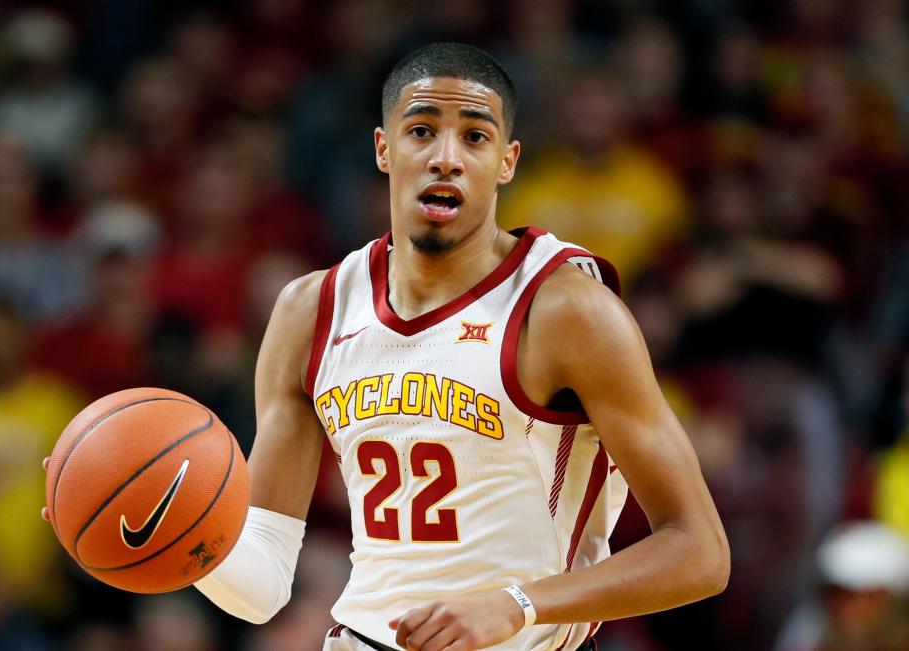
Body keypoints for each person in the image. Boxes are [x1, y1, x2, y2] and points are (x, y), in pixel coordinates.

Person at [47, 42, 729, 650]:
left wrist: (518, 605)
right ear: (383, 148)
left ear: (507, 162)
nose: (445, 158)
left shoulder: (566, 308)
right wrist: (166, 523)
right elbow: (261, 586)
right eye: (422, 131)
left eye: (475, 137)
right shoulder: (310, 309)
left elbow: (699, 552)